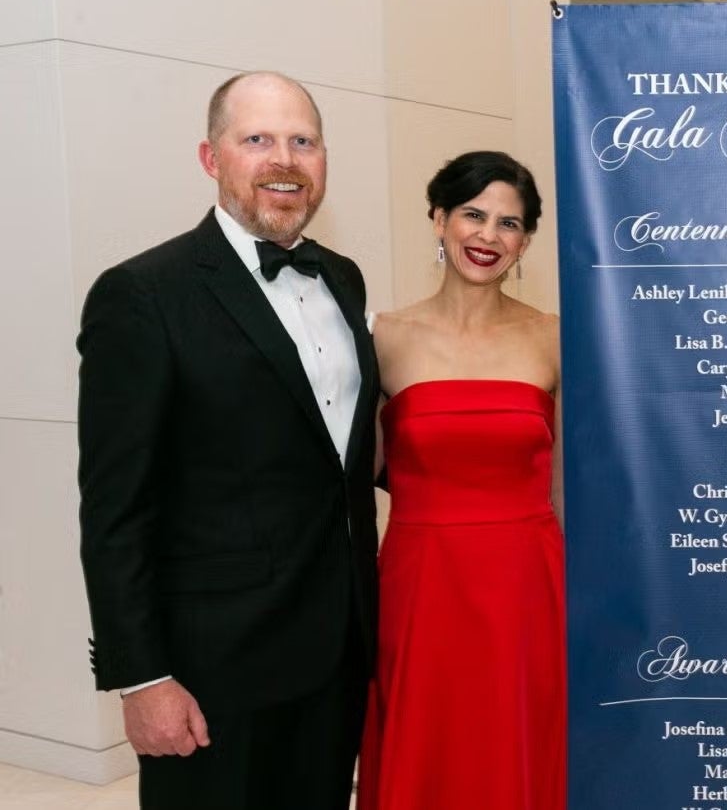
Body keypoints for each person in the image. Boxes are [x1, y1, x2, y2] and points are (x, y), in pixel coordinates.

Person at [77, 71, 380, 809]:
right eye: (258, 140)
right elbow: (115, 509)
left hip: (337, 651)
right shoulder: (143, 295)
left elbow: (336, 458)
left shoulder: (342, 278)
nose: (285, 159)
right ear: (212, 159)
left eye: (302, 141)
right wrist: (143, 677)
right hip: (212, 670)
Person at [357, 150, 564, 810]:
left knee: (518, 745)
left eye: (509, 223)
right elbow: (349, 478)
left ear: (526, 240)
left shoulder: (555, 338)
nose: (488, 236)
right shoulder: (384, 336)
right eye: (473, 215)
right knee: (431, 744)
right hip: (422, 584)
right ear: (439, 219)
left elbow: (567, 481)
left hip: (527, 586)